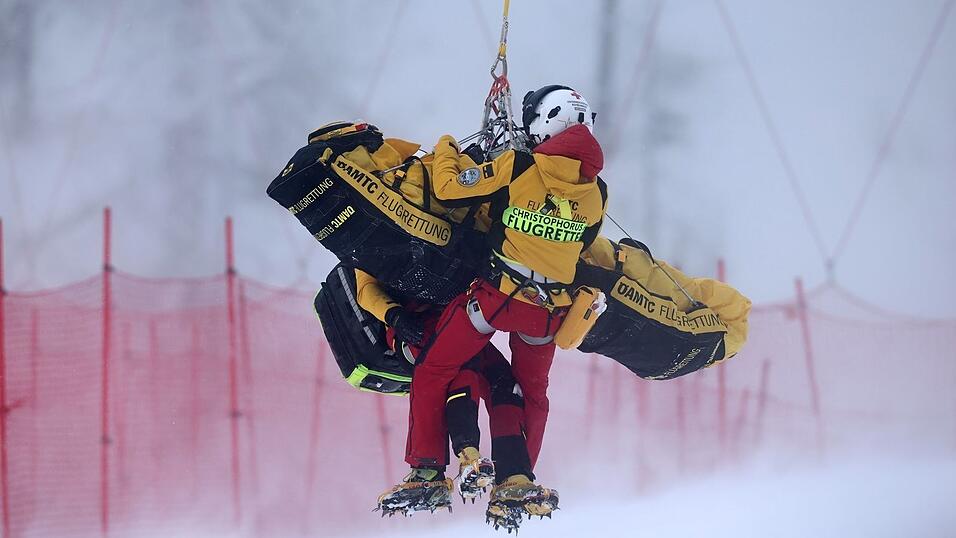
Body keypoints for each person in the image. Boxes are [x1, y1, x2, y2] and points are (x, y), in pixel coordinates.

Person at [386, 85, 608, 520]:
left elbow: (450, 188)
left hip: (496, 299)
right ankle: (516, 480)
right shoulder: (597, 190)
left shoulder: (519, 164)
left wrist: (448, 145)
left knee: (433, 368)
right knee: (531, 393)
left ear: (544, 122)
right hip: (549, 312)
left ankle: (428, 473)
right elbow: (583, 243)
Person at [356, 270, 551, 531]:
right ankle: (433, 468)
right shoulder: (375, 234)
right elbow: (365, 288)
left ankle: (513, 476)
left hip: (459, 323)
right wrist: (395, 316)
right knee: (462, 366)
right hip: (416, 328)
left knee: (504, 384)